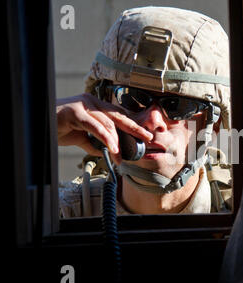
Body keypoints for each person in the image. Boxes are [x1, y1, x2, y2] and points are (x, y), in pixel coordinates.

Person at [57, 6, 232, 217]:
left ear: (213, 123)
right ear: (104, 100)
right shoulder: (61, 214)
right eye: (132, 97)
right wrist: (35, 132)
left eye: (177, 105)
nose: (153, 120)